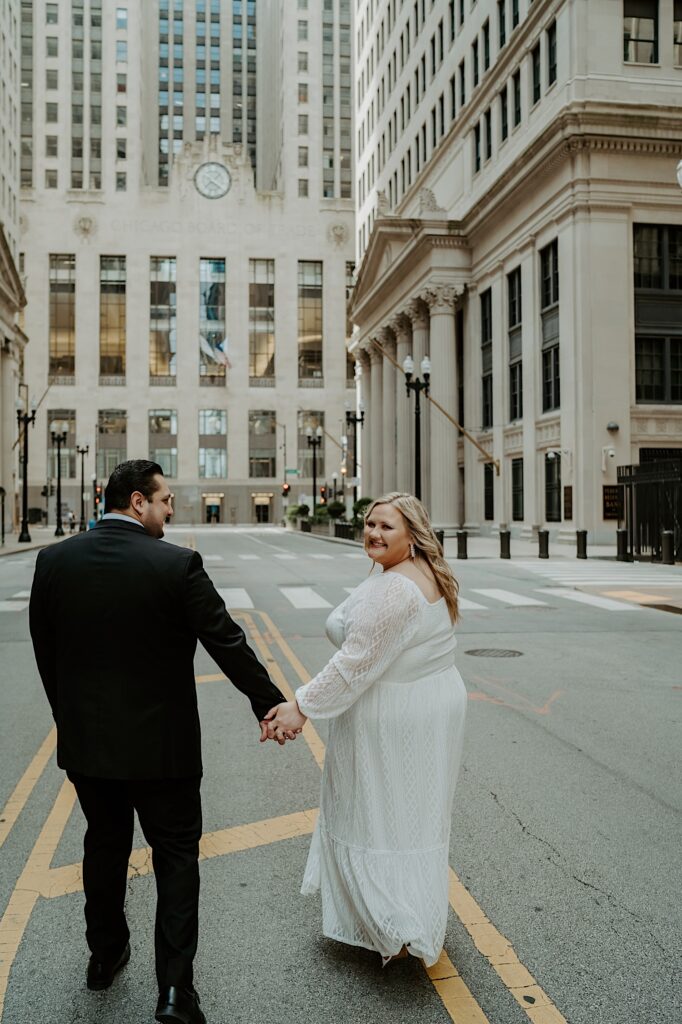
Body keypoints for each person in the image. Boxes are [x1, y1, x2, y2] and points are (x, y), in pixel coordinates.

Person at [29, 460, 291, 1024]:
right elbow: (227, 641)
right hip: (164, 750)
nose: (172, 510)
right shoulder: (176, 565)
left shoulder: (53, 562)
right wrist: (270, 703)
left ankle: (103, 958)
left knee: (104, 845)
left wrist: (70, 720)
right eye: (165, 500)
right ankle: (175, 993)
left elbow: (46, 654)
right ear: (135, 501)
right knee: (175, 859)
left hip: (90, 748)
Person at [264, 492, 467, 967]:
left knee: (377, 808)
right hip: (426, 702)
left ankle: (396, 923)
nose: (373, 533)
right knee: (409, 811)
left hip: (394, 709)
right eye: (370, 523)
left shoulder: (396, 589)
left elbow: (354, 664)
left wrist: (300, 706)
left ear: (412, 535)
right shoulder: (411, 572)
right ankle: (404, 912)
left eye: (386, 526)